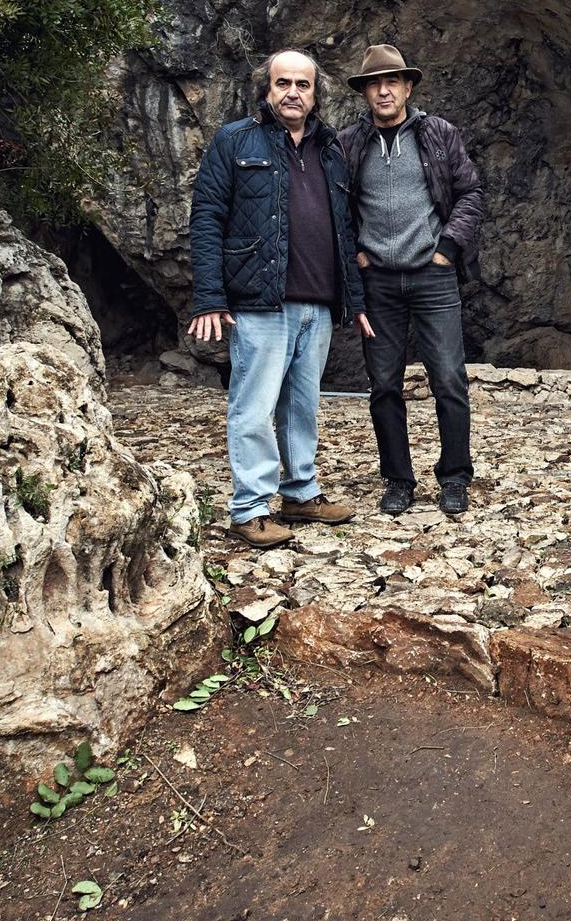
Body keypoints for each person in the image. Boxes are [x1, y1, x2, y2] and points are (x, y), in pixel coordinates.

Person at [186, 48, 374, 548]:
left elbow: (343, 231)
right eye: (283, 83)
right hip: (260, 301)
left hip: (317, 302)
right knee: (253, 407)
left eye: (303, 85)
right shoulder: (235, 140)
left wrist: (352, 302)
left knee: (302, 407)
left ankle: (300, 493)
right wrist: (209, 297)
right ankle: (249, 508)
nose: (293, 92)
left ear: (316, 94)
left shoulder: (330, 149)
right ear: (266, 89)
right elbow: (206, 218)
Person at [337, 45, 484, 516]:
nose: (384, 90)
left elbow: (470, 194)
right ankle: (398, 479)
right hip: (377, 281)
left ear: (408, 87)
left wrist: (446, 249)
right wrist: (356, 252)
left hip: (432, 278)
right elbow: (335, 207)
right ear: (364, 92)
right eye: (374, 84)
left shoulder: (438, 133)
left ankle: (455, 476)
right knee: (383, 384)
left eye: (393, 81)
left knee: (448, 379)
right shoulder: (348, 143)